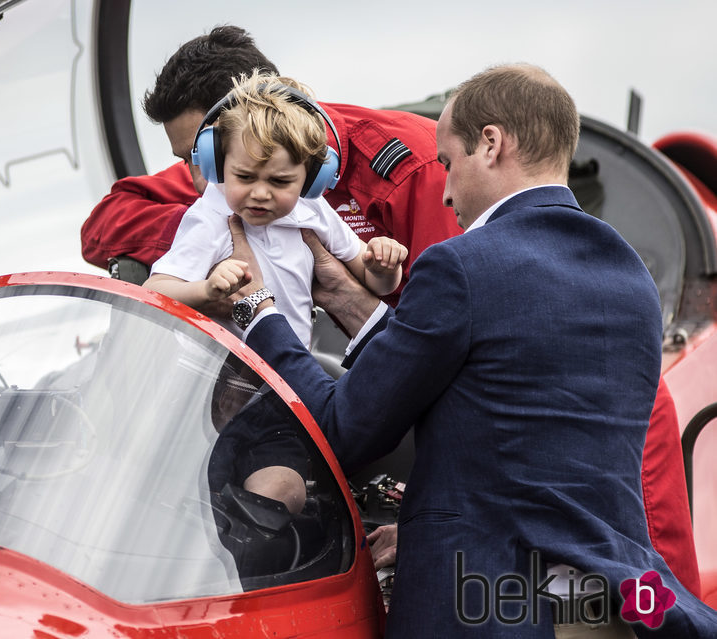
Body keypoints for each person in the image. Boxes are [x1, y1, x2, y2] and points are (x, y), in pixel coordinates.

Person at [229, 64, 717, 637]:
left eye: (447, 162)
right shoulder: (629, 277)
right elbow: (525, 435)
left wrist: (257, 310)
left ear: (491, 144)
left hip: (489, 610)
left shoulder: (461, 265)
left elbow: (344, 425)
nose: (446, 188)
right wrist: (344, 293)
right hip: (621, 605)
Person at [80, 25, 461, 306]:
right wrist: (217, 235)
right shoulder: (225, 181)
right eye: (193, 159)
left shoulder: (417, 166)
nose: (200, 181)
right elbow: (102, 226)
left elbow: (444, 316)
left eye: (201, 153)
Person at [144, 72, 407, 348]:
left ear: (313, 179)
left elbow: (377, 283)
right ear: (218, 165)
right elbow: (154, 292)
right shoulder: (211, 218)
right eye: (244, 177)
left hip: (289, 373)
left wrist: (384, 267)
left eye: (280, 181)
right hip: (224, 376)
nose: (259, 193)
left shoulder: (312, 209)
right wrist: (206, 291)